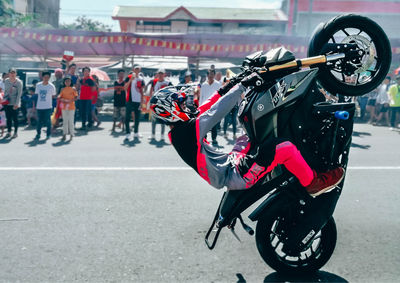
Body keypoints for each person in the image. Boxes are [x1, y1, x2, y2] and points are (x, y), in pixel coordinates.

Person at [150, 72, 345, 197]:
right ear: (169, 111)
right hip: (235, 175)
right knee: (284, 148)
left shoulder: (179, 130)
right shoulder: (185, 132)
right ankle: (312, 182)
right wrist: (242, 86)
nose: (189, 105)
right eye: (182, 104)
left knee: (247, 134)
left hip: (231, 162)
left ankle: (287, 168)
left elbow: (206, 107)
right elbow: (216, 112)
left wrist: (229, 85)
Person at [199, 68, 221, 146]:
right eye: (209, 74)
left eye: (212, 74)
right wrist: (200, 108)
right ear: (207, 75)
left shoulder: (218, 84)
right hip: (205, 108)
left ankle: (214, 138)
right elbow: (201, 97)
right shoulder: (204, 85)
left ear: (214, 75)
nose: (210, 76)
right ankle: (204, 138)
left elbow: (220, 96)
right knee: (204, 123)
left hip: (214, 107)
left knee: (213, 123)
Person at [150, 68, 172, 142]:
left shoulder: (168, 83)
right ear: (157, 74)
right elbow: (152, 91)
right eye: (159, 73)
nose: (160, 75)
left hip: (164, 104)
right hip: (155, 104)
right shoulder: (154, 82)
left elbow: (172, 92)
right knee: (153, 120)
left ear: (164, 74)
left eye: (162, 73)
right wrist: (151, 102)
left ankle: (162, 136)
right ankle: (153, 135)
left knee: (163, 120)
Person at [124, 64, 145, 141]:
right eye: (135, 69)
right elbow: (125, 88)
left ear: (140, 70)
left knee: (137, 117)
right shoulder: (129, 77)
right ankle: (127, 133)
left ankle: (136, 132)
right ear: (133, 69)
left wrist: (142, 101)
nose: (137, 70)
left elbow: (142, 90)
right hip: (130, 100)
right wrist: (130, 80)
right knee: (127, 117)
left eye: (138, 69)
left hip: (138, 101)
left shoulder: (141, 79)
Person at [34, 71, 56, 140]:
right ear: (42, 77)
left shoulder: (51, 86)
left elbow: (53, 96)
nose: (46, 78)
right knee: (39, 121)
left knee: (48, 121)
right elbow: (37, 95)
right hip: (39, 106)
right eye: (45, 77)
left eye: (47, 77)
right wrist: (34, 106)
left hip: (48, 106)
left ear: (49, 78)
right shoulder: (38, 85)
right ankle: (38, 134)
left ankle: (48, 134)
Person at [3, 68, 23, 139]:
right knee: (8, 118)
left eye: (14, 73)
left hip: (15, 103)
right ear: (9, 74)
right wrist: (3, 100)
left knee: (15, 118)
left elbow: (19, 94)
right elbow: (4, 91)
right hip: (7, 102)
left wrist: (17, 104)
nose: (12, 74)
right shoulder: (6, 81)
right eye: (11, 73)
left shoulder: (19, 82)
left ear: (16, 74)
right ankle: (9, 132)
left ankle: (15, 132)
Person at [58, 77, 78, 141]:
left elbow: (76, 97)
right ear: (64, 82)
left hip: (71, 106)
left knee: (71, 121)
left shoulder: (73, 89)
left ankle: (72, 134)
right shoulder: (62, 89)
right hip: (64, 106)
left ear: (71, 82)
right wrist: (63, 100)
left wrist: (70, 101)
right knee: (65, 121)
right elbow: (59, 97)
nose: (67, 83)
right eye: (66, 81)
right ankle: (64, 134)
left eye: (69, 81)